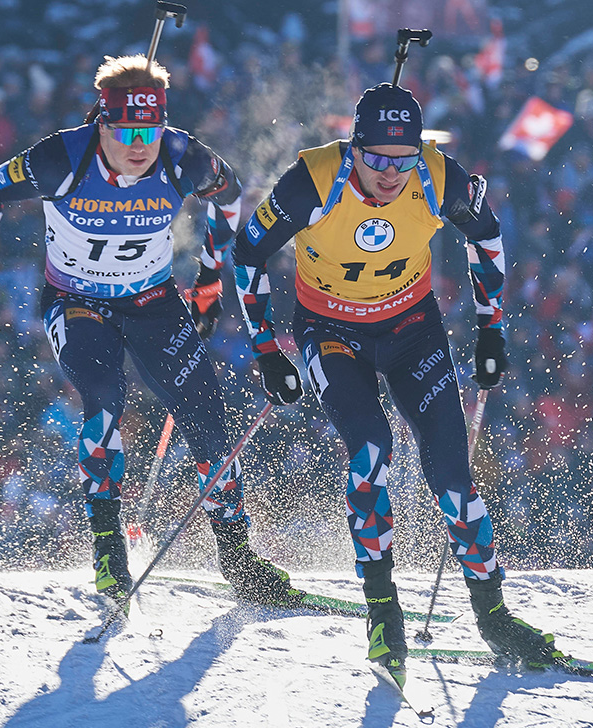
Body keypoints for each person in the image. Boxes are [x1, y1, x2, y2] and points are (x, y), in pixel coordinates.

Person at [232, 83, 566, 681]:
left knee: (453, 475)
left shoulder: (438, 177)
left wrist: (492, 332)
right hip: (329, 331)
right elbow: (247, 253)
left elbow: (486, 238)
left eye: (404, 158)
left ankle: (493, 615)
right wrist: (265, 350)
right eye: (378, 158)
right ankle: (382, 613)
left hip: (412, 326)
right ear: (354, 147)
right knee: (370, 450)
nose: (390, 173)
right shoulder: (313, 178)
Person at [0, 53, 300, 610]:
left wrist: (210, 277)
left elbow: (230, 198)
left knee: (207, 414)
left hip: (152, 302)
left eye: (151, 129)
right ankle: (109, 545)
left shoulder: (182, 157)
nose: (141, 144)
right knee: (104, 397)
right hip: (77, 301)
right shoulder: (63, 157)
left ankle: (238, 556)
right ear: (102, 123)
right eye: (127, 131)